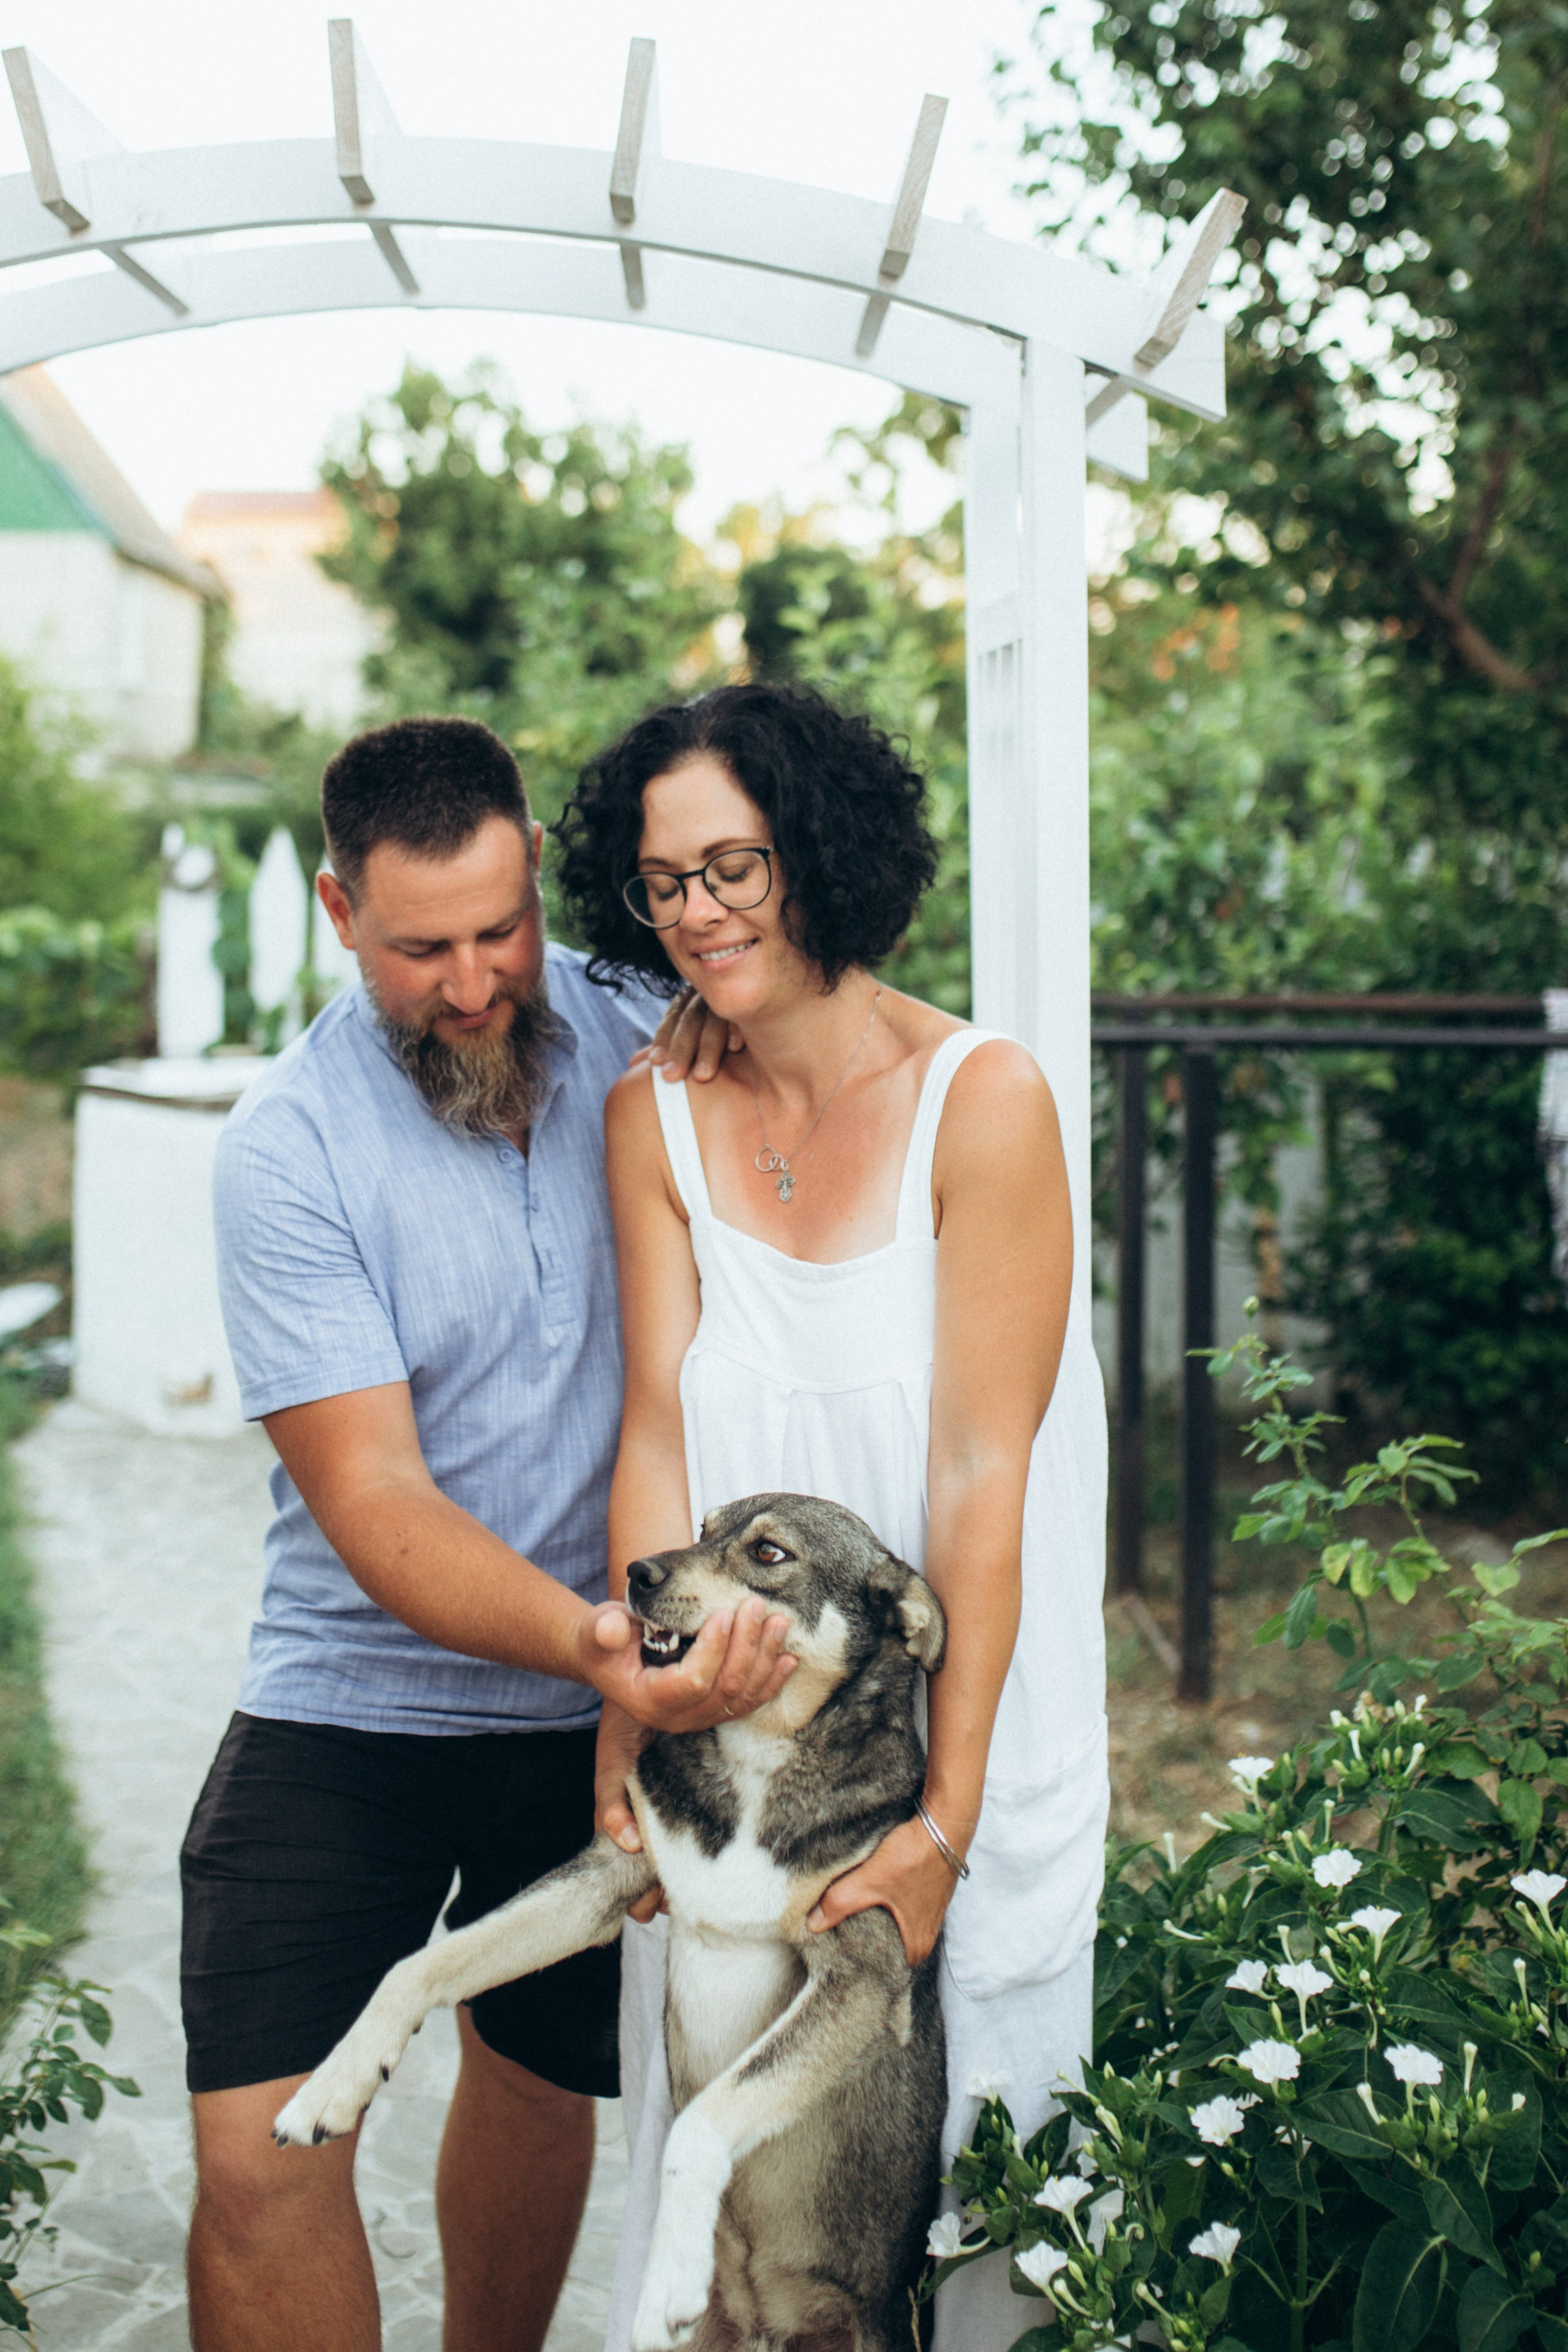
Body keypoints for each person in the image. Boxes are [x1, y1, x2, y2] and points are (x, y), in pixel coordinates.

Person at [183, 714, 795, 2352]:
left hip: (596, 1721)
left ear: (537, 873)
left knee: (536, 2095)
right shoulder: (287, 1148)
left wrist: (632, 1666)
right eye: (421, 949)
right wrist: (604, 1642)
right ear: (337, 914)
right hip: (350, 1698)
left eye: (501, 928)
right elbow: (374, 1503)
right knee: (257, 2161)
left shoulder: (652, 1039)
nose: (472, 984)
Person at [553, 680, 1109, 2350]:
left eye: (735, 865)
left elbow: (977, 1480)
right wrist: (630, 1714)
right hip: (732, 1765)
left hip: (967, 1743)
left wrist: (941, 1825)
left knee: (983, 2218)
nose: (699, 912)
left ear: (825, 854)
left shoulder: (983, 1101)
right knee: (734, 2245)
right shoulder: (649, 1116)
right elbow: (656, 1425)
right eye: (665, 881)